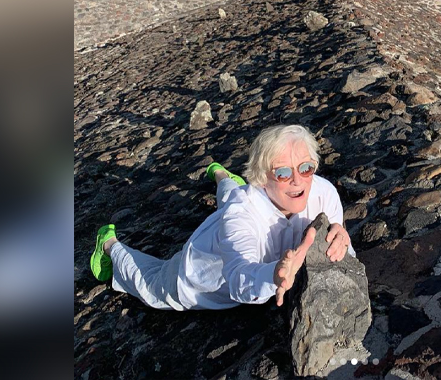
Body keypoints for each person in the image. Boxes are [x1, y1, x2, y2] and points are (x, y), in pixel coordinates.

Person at [88, 125, 354, 310]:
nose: (299, 180)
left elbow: (337, 229)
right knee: (153, 285)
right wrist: (273, 276)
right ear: (261, 178)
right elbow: (239, 279)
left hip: (242, 199)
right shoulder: (241, 213)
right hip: (205, 270)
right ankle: (110, 245)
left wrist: (341, 233)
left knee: (234, 192)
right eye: (283, 172)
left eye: (306, 167)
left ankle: (222, 176)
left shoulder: (320, 190)